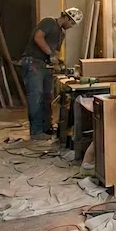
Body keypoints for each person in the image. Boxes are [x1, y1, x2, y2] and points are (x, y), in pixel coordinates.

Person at [19, 7, 83, 140]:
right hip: (33, 63)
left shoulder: (61, 33)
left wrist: (59, 61)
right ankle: (36, 132)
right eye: (71, 23)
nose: (71, 26)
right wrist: (50, 54)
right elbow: (38, 37)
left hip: (45, 65)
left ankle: (47, 128)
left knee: (47, 97)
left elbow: (56, 51)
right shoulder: (49, 22)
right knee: (36, 97)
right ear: (66, 17)